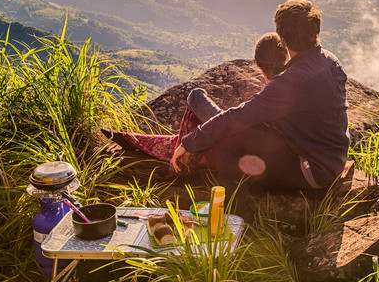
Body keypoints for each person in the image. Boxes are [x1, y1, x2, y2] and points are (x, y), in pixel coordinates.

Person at [171, 0, 350, 194]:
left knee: (232, 138)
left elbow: (238, 118)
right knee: (241, 127)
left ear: (282, 36)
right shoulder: (330, 61)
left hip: (311, 171)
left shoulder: (290, 82)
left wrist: (190, 143)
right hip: (333, 162)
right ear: (316, 29)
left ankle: (236, 211)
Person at [101, 32, 288, 175]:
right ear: (285, 60)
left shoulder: (267, 98)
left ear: (256, 63)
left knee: (196, 96)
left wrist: (190, 142)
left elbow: (230, 121)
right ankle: (142, 141)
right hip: (263, 153)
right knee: (213, 119)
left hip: (241, 148)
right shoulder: (298, 91)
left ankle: (168, 150)